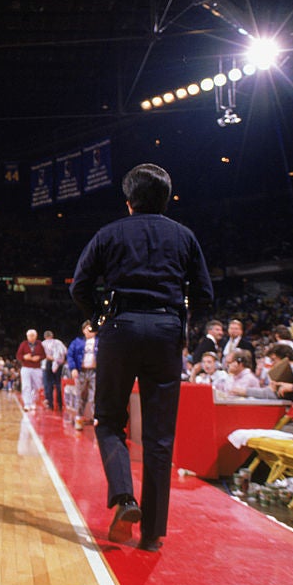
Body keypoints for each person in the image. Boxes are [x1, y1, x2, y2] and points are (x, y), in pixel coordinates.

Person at [71, 163, 213, 552]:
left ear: (129, 200)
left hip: (120, 326)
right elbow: (204, 294)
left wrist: (98, 315)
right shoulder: (185, 236)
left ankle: (124, 498)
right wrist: (179, 314)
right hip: (167, 331)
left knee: (109, 420)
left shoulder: (109, 233)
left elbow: (80, 286)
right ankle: (152, 534)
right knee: (159, 435)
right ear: (166, 199)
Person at [65, 320, 98, 431]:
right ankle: (79, 418)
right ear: (83, 330)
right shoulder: (77, 342)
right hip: (81, 372)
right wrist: (73, 368)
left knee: (95, 396)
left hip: (95, 372)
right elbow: (70, 355)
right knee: (80, 396)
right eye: (87, 328)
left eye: (92, 328)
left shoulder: (100, 341)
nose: (90, 331)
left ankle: (96, 420)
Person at [16, 329, 44, 410]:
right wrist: (24, 357)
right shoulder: (23, 344)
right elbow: (18, 355)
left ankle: (33, 402)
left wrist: (39, 357)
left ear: (36, 336)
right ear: (27, 336)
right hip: (26, 367)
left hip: (37, 368)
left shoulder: (40, 344)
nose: (31, 337)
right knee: (26, 386)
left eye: (32, 335)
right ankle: (27, 404)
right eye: (29, 336)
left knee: (37, 386)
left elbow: (44, 355)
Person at [41, 330, 67, 411]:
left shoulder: (43, 343)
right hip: (59, 365)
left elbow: (42, 355)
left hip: (48, 365)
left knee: (48, 385)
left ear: (45, 337)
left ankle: (50, 405)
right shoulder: (58, 342)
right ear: (52, 336)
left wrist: (52, 358)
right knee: (58, 384)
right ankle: (60, 405)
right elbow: (65, 351)